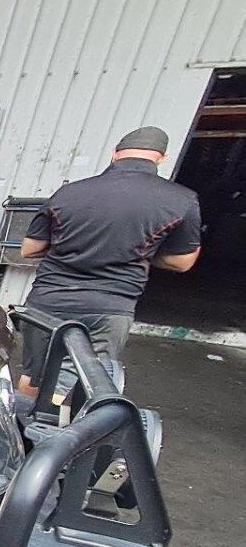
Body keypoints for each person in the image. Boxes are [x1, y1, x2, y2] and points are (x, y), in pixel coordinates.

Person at [17, 126, 202, 398]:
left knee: (34, 377)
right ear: (161, 158)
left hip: (49, 299)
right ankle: (64, 421)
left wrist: (71, 249)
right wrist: (141, 254)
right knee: (87, 381)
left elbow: (30, 249)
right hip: (110, 307)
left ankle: (22, 421)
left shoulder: (69, 193)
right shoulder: (181, 199)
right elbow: (182, 262)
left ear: (115, 154)